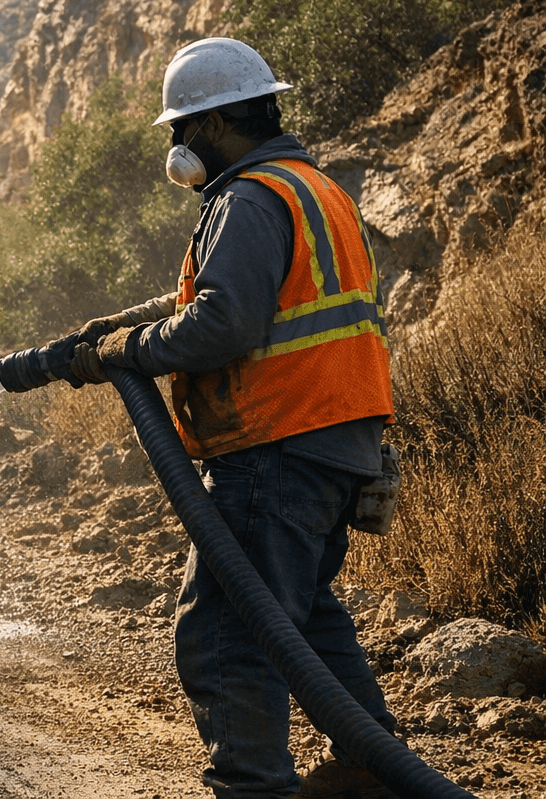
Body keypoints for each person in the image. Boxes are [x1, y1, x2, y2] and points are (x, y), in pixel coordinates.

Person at [66, 39, 399, 799]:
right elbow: (256, 301)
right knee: (304, 621)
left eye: (181, 131)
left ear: (213, 124)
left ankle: (255, 791)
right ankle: (378, 774)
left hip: (274, 444)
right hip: (335, 441)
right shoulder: (312, 188)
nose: (178, 150)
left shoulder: (246, 198)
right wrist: (124, 326)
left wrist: (129, 350)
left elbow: (224, 325)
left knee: (227, 637)